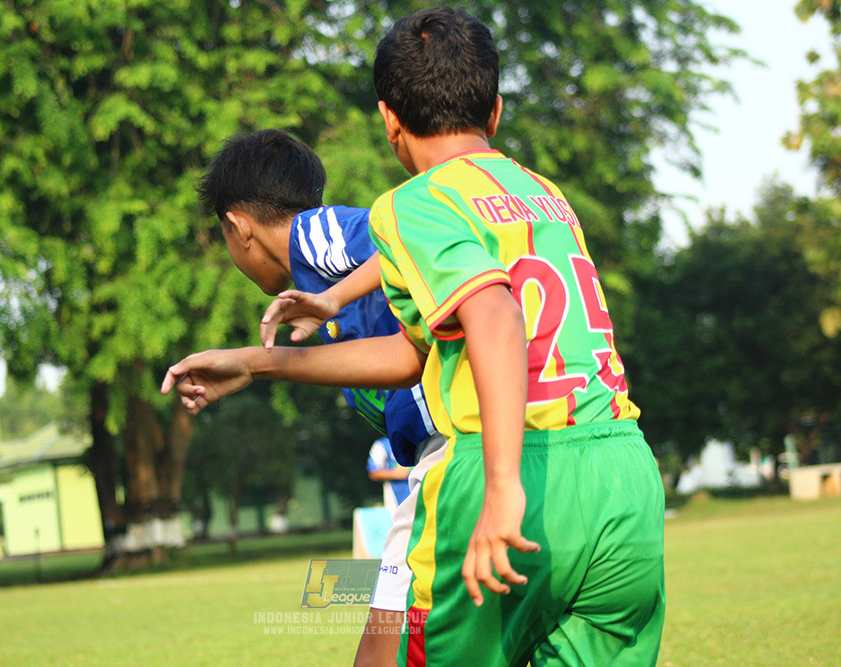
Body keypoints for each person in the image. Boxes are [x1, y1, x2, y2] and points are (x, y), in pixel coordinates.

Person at [164, 6, 665, 666]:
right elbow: (412, 355)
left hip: (508, 468)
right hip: (623, 478)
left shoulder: (413, 203)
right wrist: (261, 364)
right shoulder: (544, 194)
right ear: (495, 112)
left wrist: (503, 483)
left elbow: (492, 312)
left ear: (388, 122)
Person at [193, 128, 445, 666]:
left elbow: (413, 242)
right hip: (449, 450)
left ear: (238, 228)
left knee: (380, 653)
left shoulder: (315, 235)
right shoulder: (315, 265)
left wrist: (332, 298)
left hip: (455, 449)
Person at [366, 436, 410, 516]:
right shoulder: (382, 444)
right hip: (397, 502)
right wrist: (396, 474)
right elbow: (373, 472)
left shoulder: (417, 437)